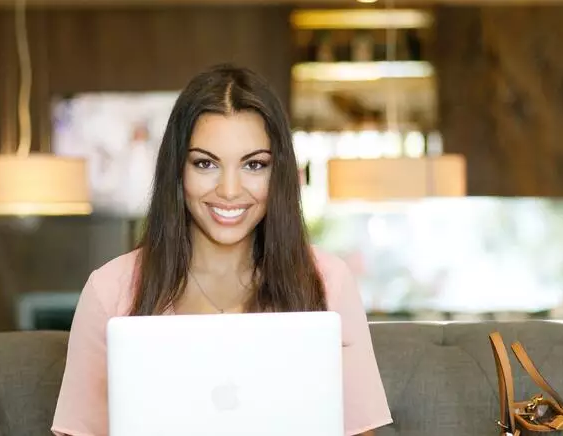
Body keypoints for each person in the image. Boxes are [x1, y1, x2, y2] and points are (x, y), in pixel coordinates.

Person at [51, 64, 392, 436]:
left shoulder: (329, 281)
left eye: (254, 165)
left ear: (277, 173)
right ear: (177, 171)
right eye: (205, 163)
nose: (229, 190)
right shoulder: (109, 289)